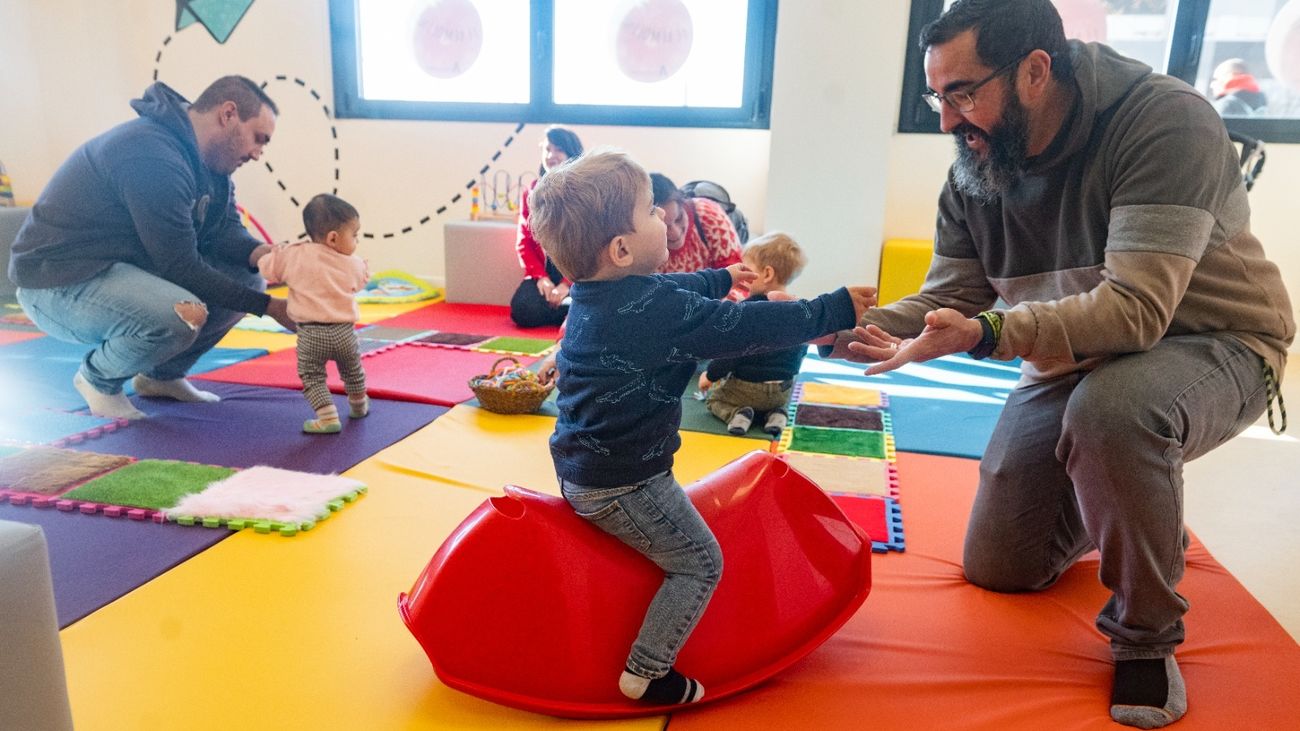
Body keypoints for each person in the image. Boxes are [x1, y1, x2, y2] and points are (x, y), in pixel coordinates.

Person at [829, 2, 1294, 727]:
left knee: (1113, 412)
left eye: (962, 93)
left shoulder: (1165, 122)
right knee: (1001, 566)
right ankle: (1129, 490)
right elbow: (954, 291)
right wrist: (828, 324)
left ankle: (1146, 634)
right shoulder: (979, 164)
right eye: (935, 95)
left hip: (1212, 341)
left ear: (1036, 72)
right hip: (1074, 357)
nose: (946, 120)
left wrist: (986, 333)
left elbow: (1137, 311)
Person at [528, 149, 874, 705]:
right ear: (621, 248)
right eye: (650, 211)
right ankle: (646, 673)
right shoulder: (650, 311)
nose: (665, 216)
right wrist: (829, 311)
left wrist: (720, 278)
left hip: (586, 466)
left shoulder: (597, 298)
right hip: (622, 483)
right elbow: (740, 325)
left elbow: (677, 295)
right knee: (701, 562)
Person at [8, 75, 294, 420]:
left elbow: (224, 231)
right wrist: (271, 308)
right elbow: (179, 265)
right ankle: (97, 379)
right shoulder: (150, 154)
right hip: (57, 282)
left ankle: (162, 376)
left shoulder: (213, 164)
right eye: (258, 139)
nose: (257, 153)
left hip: (118, 270)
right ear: (228, 114)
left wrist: (265, 255)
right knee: (176, 313)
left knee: (249, 280)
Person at [257, 194, 370, 434]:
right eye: (355, 235)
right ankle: (359, 405)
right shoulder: (353, 263)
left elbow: (268, 270)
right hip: (344, 334)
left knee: (312, 376)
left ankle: (327, 417)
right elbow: (358, 284)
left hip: (310, 335)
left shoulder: (293, 255)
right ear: (333, 238)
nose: (356, 241)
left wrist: (274, 253)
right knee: (352, 371)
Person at [698, 231, 809, 436]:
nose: (743, 277)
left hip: (747, 389)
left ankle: (738, 413)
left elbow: (729, 352)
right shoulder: (799, 309)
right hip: (781, 390)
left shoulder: (746, 310)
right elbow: (803, 348)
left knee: (713, 398)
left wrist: (710, 375)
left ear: (766, 274)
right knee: (788, 394)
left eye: (748, 271)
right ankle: (776, 413)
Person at [510, 125, 584, 328]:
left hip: (578, 272)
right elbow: (524, 241)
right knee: (522, 310)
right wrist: (542, 279)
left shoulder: (585, 192)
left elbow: (588, 244)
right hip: (545, 272)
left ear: (572, 152)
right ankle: (566, 313)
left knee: (592, 305)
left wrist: (566, 285)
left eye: (559, 149)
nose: (552, 155)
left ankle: (568, 309)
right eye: (548, 150)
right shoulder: (531, 192)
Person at [650, 173, 743, 274]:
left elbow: (738, 274)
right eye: (664, 227)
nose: (675, 233)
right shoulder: (643, 248)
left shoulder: (709, 214)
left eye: (679, 218)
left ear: (683, 204)